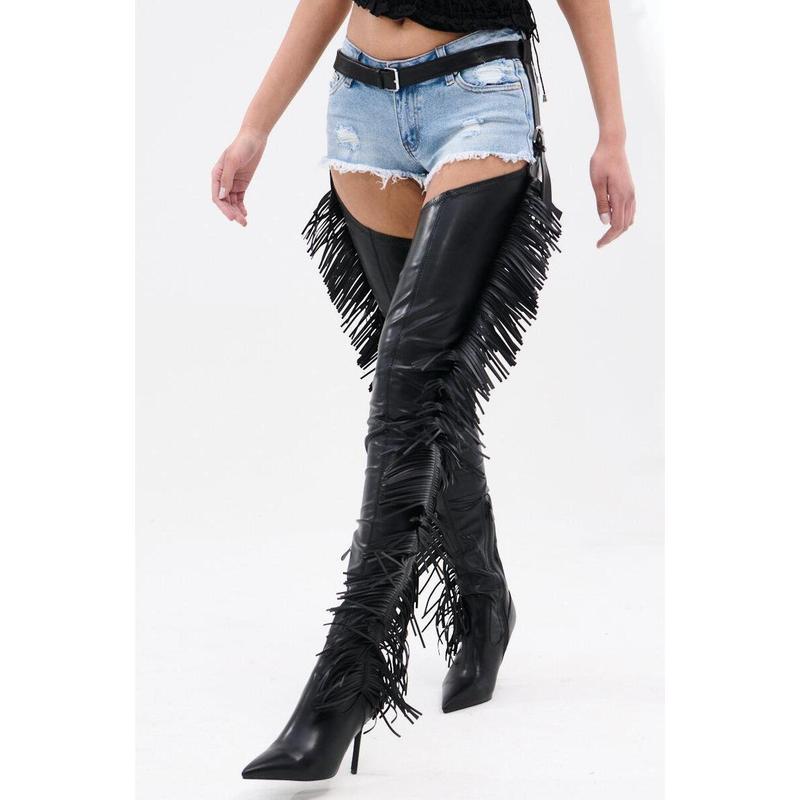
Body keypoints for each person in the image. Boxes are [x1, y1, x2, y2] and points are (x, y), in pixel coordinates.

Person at [211, 0, 635, 782]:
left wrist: (612, 132)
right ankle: (483, 597)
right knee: (428, 391)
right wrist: (255, 126)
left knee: (408, 382)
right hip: (362, 105)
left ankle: (347, 678)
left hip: (479, 97)